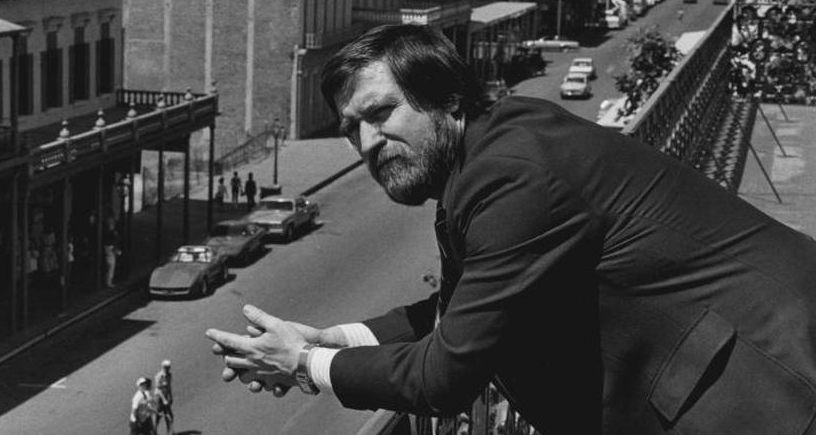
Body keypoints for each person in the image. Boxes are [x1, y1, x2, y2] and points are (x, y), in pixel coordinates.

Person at [206, 23, 816, 435]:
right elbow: (464, 308)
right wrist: (332, 338)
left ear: (446, 99)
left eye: (381, 113)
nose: (367, 142)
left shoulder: (511, 177)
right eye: (350, 129)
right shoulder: (491, 149)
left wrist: (304, 363)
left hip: (772, 390)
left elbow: (444, 378)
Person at [154, 359, 175, 435]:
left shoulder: (169, 375)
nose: (168, 368)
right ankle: (154, 431)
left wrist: (170, 396)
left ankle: (169, 432)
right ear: (162, 367)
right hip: (159, 398)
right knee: (158, 415)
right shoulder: (159, 376)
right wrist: (164, 400)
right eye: (166, 367)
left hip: (165, 397)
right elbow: (158, 389)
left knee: (169, 415)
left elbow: (169, 387)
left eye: (169, 367)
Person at [103, 214, 119, 288]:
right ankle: (108, 282)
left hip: (108, 249)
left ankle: (108, 281)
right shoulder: (112, 233)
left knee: (109, 267)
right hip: (110, 249)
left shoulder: (107, 232)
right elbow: (112, 243)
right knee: (110, 266)